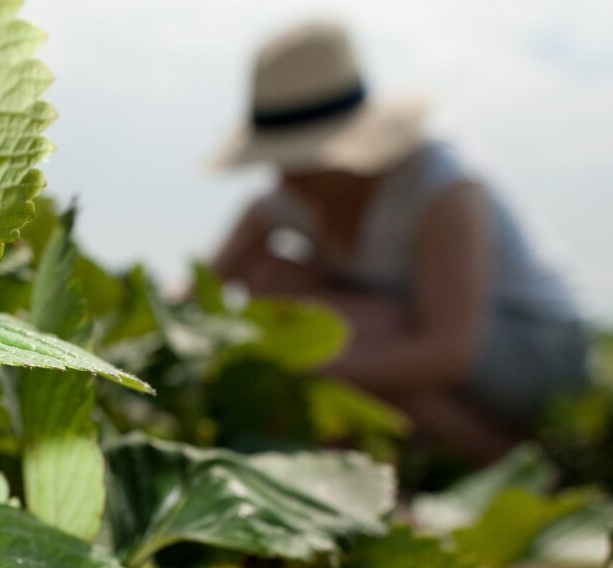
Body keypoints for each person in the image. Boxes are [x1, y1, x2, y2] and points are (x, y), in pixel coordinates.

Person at [210, 19, 588, 465]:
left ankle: (519, 465)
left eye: (298, 157)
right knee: (274, 280)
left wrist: (300, 372)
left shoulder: (441, 185)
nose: (285, 174)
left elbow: (449, 350)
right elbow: (205, 284)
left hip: (537, 346)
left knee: (350, 329)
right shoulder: (291, 195)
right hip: (429, 347)